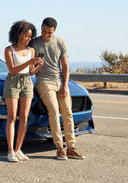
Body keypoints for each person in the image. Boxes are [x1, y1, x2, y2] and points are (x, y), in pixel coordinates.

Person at [33, 17, 85, 160]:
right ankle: (59, 148)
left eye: (49, 33)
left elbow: (65, 66)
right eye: (43, 31)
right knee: (54, 111)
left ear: (54, 31)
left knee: (67, 111)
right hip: (44, 82)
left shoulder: (60, 43)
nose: (45, 34)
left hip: (60, 82)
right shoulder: (34, 43)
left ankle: (71, 148)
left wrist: (65, 85)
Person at [3, 20, 44, 162]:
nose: (28, 39)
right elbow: (12, 70)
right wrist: (29, 62)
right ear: (18, 34)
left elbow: (31, 72)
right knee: (12, 117)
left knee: (25, 117)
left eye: (30, 36)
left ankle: (18, 149)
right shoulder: (9, 50)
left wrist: (38, 65)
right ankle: (10, 151)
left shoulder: (31, 50)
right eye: (26, 36)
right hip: (12, 82)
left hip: (27, 81)